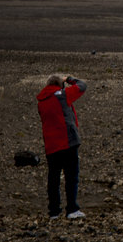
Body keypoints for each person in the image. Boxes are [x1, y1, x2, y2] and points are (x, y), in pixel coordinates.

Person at [37, 74, 87, 220]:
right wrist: (69, 79)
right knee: (71, 176)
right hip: (67, 141)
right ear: (60, 85)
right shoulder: (62, 95)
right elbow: (82, 86)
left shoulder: (41, 101)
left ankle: (54, 212)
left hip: (51, 145)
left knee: (53, 179)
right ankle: (72, 209)